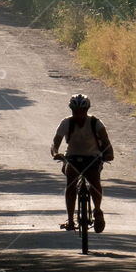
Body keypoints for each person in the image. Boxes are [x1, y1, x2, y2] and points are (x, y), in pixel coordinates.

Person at [51, 94, 114, 232]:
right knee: (71, 182)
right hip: (72, 157)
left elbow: (106, 141)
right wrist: (56, 153)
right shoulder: (66, 123)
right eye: (75, 112)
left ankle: (97, 211)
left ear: (87, 110)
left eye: (82, 111)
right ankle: (70, 219)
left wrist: (109, 154)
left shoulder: (95, 123)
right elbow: (55, 142)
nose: (79, 115)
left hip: (92, 157)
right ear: (71, 111)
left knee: (95, 182)